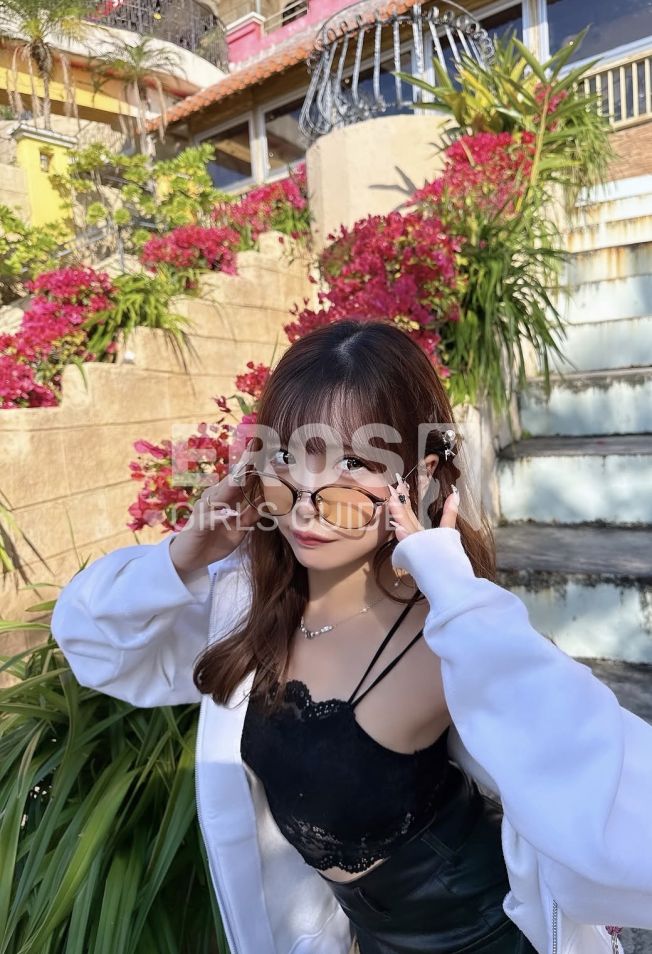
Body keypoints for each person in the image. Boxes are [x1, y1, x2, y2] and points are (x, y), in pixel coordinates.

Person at [51, 320, 652, 954]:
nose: (307, 502)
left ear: (418, 477)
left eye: (353, 465)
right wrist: (186, 553)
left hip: (484, 937)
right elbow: (92, 639)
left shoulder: (447, 636)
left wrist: (455, 590)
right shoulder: (250, 605)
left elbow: (617, 799)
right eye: (286, 458)